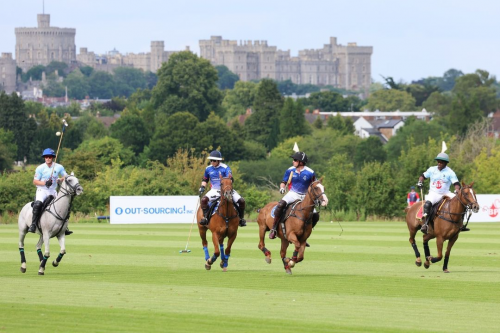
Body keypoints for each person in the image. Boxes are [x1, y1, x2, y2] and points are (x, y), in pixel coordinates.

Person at [269, 151, 320, 239]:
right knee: (280, 205)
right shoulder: (290, 170)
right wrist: (282, 187)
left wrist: (318, 198)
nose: (293, 161)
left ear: (301, 162)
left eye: (295, 160)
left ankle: (305, 234)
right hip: (293, 194)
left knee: (315, 215)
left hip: (305, 196)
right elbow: (283, 182)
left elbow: (315, 186)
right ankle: (274, 229)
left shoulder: (310, 172)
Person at [416, 152, 469, 234]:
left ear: (446, 163)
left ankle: (461, 224)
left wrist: (457, 190)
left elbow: (456, 183)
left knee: (461, 202)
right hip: (434, 193)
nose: (439, 164)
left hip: (445, 193)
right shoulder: (432, 169)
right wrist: (420, 181)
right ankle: (425, 224)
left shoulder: (450, 172)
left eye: (441, 162)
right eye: (438, 162)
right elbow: (423, 176)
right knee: (427, 204)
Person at [28, 148, 73, 235]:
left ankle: (64, 227)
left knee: (63, 207)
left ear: (53, 157)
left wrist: (60, 179)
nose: (48, 158)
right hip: (42, 190)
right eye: (46, 157)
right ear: (44, 158)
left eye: (49, 157)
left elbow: (66, 177)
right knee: (38, 204)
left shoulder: (59, 167)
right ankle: (33, 224)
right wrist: (45, 183)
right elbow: (35, 181)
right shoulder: (40, 168)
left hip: (53, 191)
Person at [198, 150, 246, 227]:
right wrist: (202, 187)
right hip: (214, 190)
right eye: (211, 160)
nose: (212, 162)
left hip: (227, 189)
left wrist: (227, 188)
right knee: (204, 200)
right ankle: (205, 218)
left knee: (241, 201)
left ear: (219, 161)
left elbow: (230, 179)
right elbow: (205, 179)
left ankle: (241, 219)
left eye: (214, 160)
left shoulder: (225, 168)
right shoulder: (208, 168)